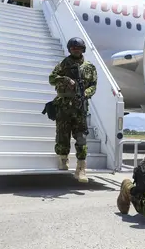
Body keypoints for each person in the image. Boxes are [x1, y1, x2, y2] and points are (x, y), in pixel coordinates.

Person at [49, 37, 97, 183]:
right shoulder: (63, 64)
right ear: (70, 49)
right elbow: (52, 79)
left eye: (79, 48)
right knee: (62, 136)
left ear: (83, 49)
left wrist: (85, 94)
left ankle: (81, 168)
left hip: (79, 107)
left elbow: (93, 85)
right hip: (63, 106)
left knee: (81, 137)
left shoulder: (90, 67)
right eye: (73, 48)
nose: (76, 50)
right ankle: (63, 159)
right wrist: (65, 80)